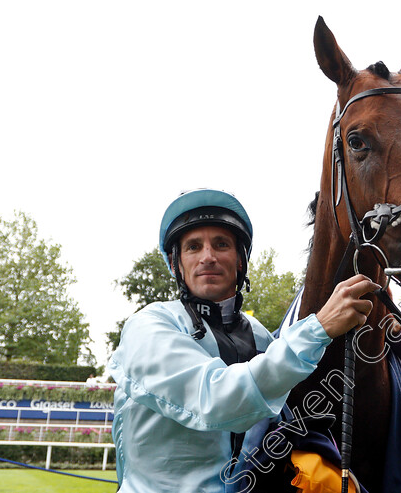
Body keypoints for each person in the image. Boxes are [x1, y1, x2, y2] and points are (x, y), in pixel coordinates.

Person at [109, 189, 378, 493]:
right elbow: (216, 399)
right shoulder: (148, 327)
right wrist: (318, 329)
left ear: (240, 261)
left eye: (221, 245)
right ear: (176, 265)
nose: (208, 257)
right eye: (193, 247)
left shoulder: (260, 334)